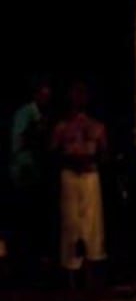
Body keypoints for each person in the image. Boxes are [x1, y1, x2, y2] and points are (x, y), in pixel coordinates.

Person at [50, 81, 107, 288]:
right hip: (70, 176)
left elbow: (104, 153)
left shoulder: (96, 126)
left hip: (90, 175)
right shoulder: (62, 127)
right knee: (71, 224)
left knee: (92, 225)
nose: (78, 98)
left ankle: (90, 272)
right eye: (74, 94)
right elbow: (53, 153)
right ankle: (71, 274)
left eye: (81, 94)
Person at [7, 78, 52, 272]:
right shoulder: (26, 114)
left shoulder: (42, 115)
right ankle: (22, 260)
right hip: (24, 171)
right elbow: (17, 142)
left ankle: (34, 258)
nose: (45, 99)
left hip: (35, 172)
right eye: (43, 95)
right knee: (24, 216)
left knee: (35, 216)